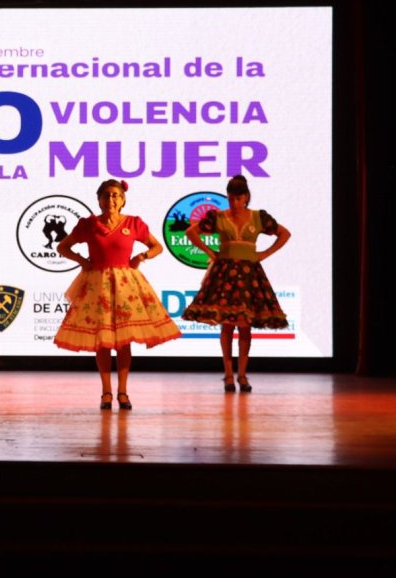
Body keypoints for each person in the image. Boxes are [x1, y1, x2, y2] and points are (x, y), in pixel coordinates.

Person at [54, 179, 181, 410]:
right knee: (102, 341)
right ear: (99, 199)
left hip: (126, 287)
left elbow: (157, 246)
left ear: (122, 200)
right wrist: (82, 261)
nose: (111, 199)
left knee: (124, 341)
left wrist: (141, 257)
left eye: (115, 195)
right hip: (97, 285)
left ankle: (123, 391)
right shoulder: (89, 224)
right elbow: (62, 246)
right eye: (106, 195)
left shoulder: (133, 223)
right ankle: (106, 393)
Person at [181, 175, 290, 392]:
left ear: (246, 197)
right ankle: (229, 375)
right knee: (227, 324)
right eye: (231, 198)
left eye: (238, 198)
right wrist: (211, 253)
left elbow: (284, 234)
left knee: (245, 324)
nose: (234, 202)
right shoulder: (219, 216)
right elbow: (191, 232)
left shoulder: (258, 217)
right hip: (225, 275)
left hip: (250, 275)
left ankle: (242, 374)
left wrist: (264, 254)